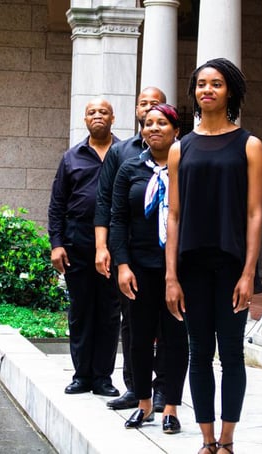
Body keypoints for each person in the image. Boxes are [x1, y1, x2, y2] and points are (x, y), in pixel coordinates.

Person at [165, 58, 262, 454]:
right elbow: (173, 215)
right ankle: (206, 441)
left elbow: (255, 213)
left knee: (232, 355)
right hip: (191, 264)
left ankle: (227, 440)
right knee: (199, 353)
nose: (207, 90)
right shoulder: (179, 148)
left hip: (230, 265)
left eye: (216, 84)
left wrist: (248, 273)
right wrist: (171, 275)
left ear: (230, 92)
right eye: (201, 84)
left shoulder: (249, 145)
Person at [110, 104, 189, 433]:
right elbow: (117, 219)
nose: (153, 128)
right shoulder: (129, 169)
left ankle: (170, 405)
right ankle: (144, 404)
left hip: (179, 269)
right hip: (139, 267)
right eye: (147, 123)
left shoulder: (186, 169)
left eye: (161, 123)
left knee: (175, 338)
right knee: (139, 339)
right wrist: (122, 265)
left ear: (176, 131)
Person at [94, 86, 169, 412]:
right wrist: (103, 247)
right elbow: (106, 204)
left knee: (168, 325)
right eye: (144, 104)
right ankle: (134, 387)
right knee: (131, 321)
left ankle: (165, 389)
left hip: (169, 256)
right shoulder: (121, 153)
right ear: (136, 110)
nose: (149, 109)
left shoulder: (180, 154)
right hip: (133, 255)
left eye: (156, 104)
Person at [48, 98, 122, 397]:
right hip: (77, 242)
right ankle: (81, 376)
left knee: (108, 311)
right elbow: (57, 205)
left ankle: (103, 378)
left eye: (103, 112)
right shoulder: (71, 157)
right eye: (92, 112)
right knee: (80, 311)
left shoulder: (124, 154)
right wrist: (57, 244)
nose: (97, 116)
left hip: (114, 245)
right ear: (85, 119)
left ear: (112, 118)